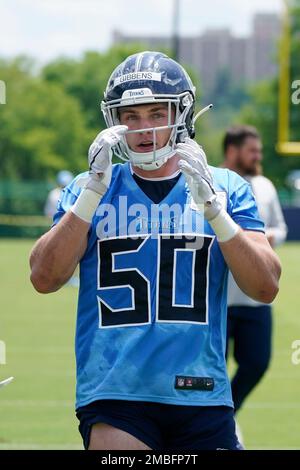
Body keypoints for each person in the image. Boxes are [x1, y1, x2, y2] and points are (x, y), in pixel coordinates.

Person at [29, 51, 281, 451]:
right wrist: (92, 192)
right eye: (130, 116)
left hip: (202, 390)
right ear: (114, 121)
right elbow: (44, 278)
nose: (144, 129)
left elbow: (265, 286)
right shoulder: (88, 187)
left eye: (155, 113)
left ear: (180, 113)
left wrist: (215, 211)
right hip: (116, 392)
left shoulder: (226, 187)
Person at [222, 125, 287, 414]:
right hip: (219, 298)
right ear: (232, 151)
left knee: (257, 363)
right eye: (252, 150)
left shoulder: (265, 186)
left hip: (253, 298)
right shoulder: (214, 182)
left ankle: (227, 413)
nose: (257, 156)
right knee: (210, 370)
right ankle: (214, 417)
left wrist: (267, 238)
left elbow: (280, 227)